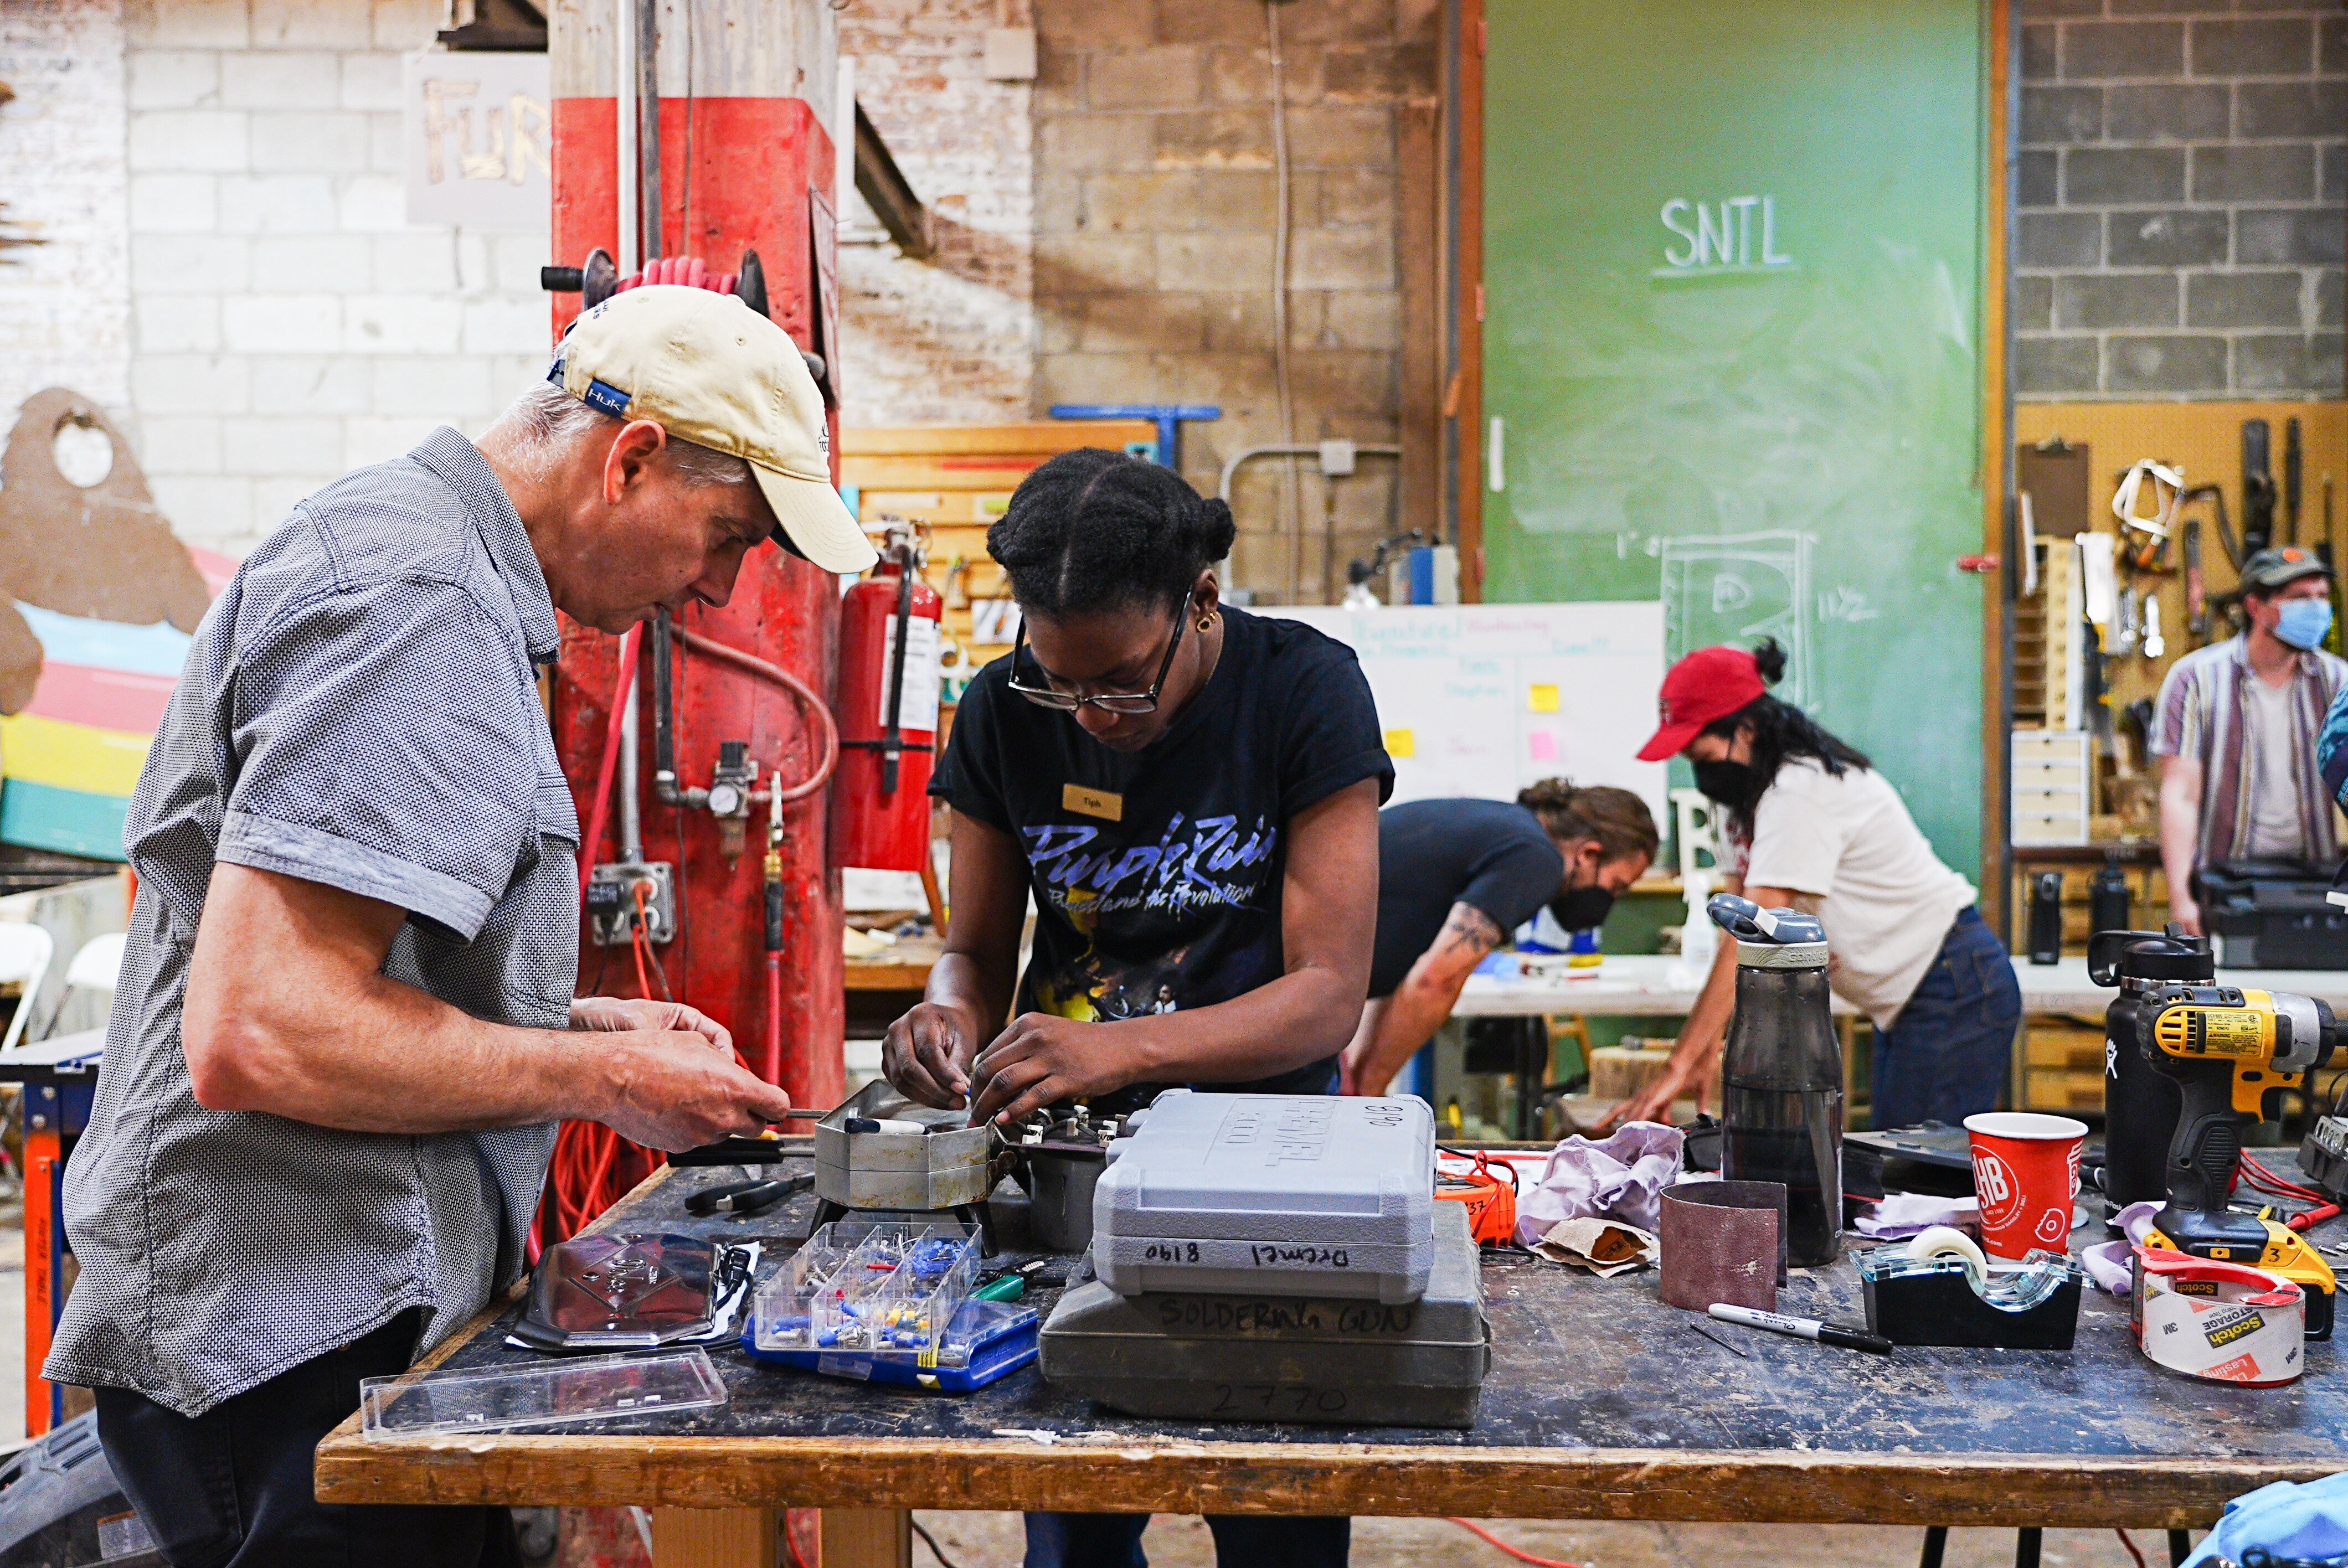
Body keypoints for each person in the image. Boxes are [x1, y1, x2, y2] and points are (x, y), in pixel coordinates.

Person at [46, 285, 877, 1565]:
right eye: (726, 535)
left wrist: (586, 1022)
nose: (716, 588)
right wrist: (602, 1073)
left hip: (317, 1310)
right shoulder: (420, 603)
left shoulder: (424, 559)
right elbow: (264, 1032)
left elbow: (356, 970)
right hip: (283, 1339)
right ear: (632, 457)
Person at [882, 448, 1390, 1568]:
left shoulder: (1304, 691)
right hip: (1068, 1173)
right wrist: (946, 1014)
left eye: (1118, 680)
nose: (1087, 713)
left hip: (1264, 1169)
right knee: (1074, 1516)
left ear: (1200, 601)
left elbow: (1324, 997)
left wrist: (1112, 1049)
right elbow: (970, 948)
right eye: (1056, 681)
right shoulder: (999, 714)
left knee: (1274, 1522)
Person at [1603, 638, 2019, 1133]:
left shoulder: (1802, 787)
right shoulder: (1741, 801)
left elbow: (1752, 932)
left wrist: (1679, 1064)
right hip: (1905, 1001)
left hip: (1954, 987)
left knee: (1919, 1185)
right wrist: (1710, 1048)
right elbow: (1737, 927)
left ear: (1749, 727)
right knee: (1898, 1171)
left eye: (1704, 751)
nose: (1701, 769)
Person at [1339, 780, 1659, 1096]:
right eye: (1615, 886)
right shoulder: (1536, 858)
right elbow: (1436, 981)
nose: (1609, 901)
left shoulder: (1508, 828)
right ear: (1589, 854)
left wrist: (1359, 1076)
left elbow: (1397, 970)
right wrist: (1369, 1088)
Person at [2153, 545, 2347, 935]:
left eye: (2322, 596)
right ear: (2257, 607)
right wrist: (2180, 897)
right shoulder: (2196, 680)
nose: (2316, 609)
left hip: (2319, 884)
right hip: (2228, 886)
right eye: (2299, 599)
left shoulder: (2339, 683)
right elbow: (2181, 794)